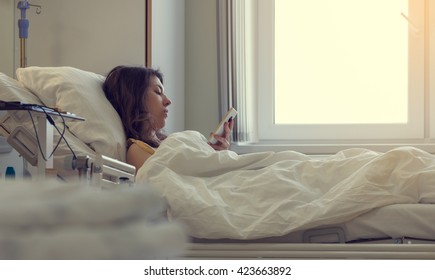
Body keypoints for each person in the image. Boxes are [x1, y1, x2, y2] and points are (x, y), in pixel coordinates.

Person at [103, 65, 234, 171]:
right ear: (135, 98)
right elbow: (172, 185)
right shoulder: (136, 150)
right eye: (158, 92)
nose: (168, 101)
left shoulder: (168, 142)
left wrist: (218, 154)